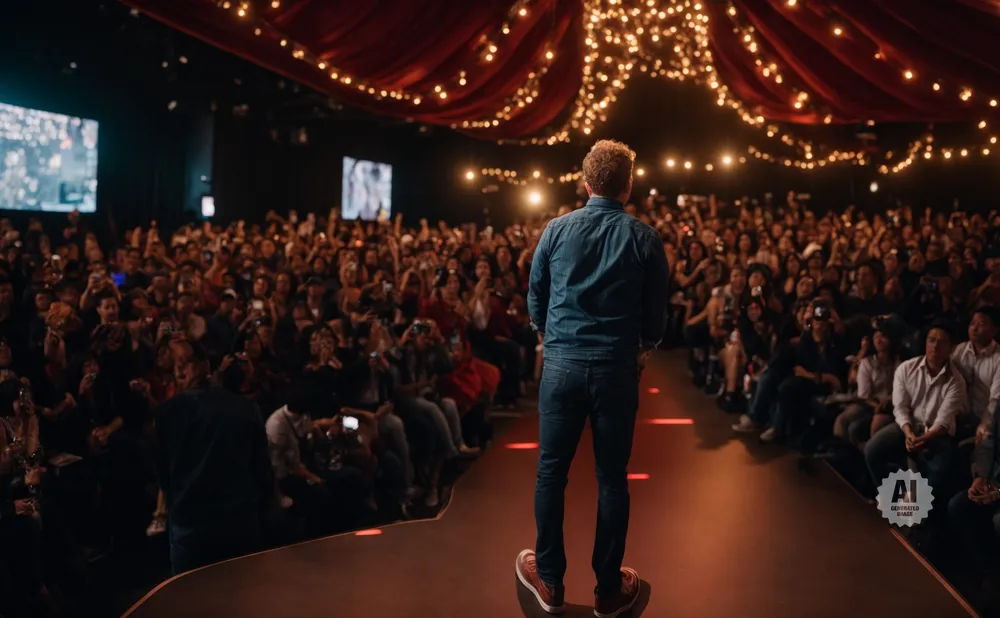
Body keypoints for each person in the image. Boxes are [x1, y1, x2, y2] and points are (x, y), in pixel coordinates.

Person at [515, 139, 669, 617]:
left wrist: (550, 336)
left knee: (551, 473)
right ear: (628, 184)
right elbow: (656, 317)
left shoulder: (556, 229)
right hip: (615, 370)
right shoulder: (645, 238)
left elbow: (535, 294)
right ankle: (607, 590)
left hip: (561, 365)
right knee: (612, 479)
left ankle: (550, 583)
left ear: (586, 183)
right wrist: (641, 348)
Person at [154, 345, 274, 575]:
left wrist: (175, 504)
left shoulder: (167, 412)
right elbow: (262, 468)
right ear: (207, 367)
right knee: (244, 589)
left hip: (191, 521)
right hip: (238, 519)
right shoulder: (244, 407)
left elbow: (162, 472)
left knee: (191, 592)